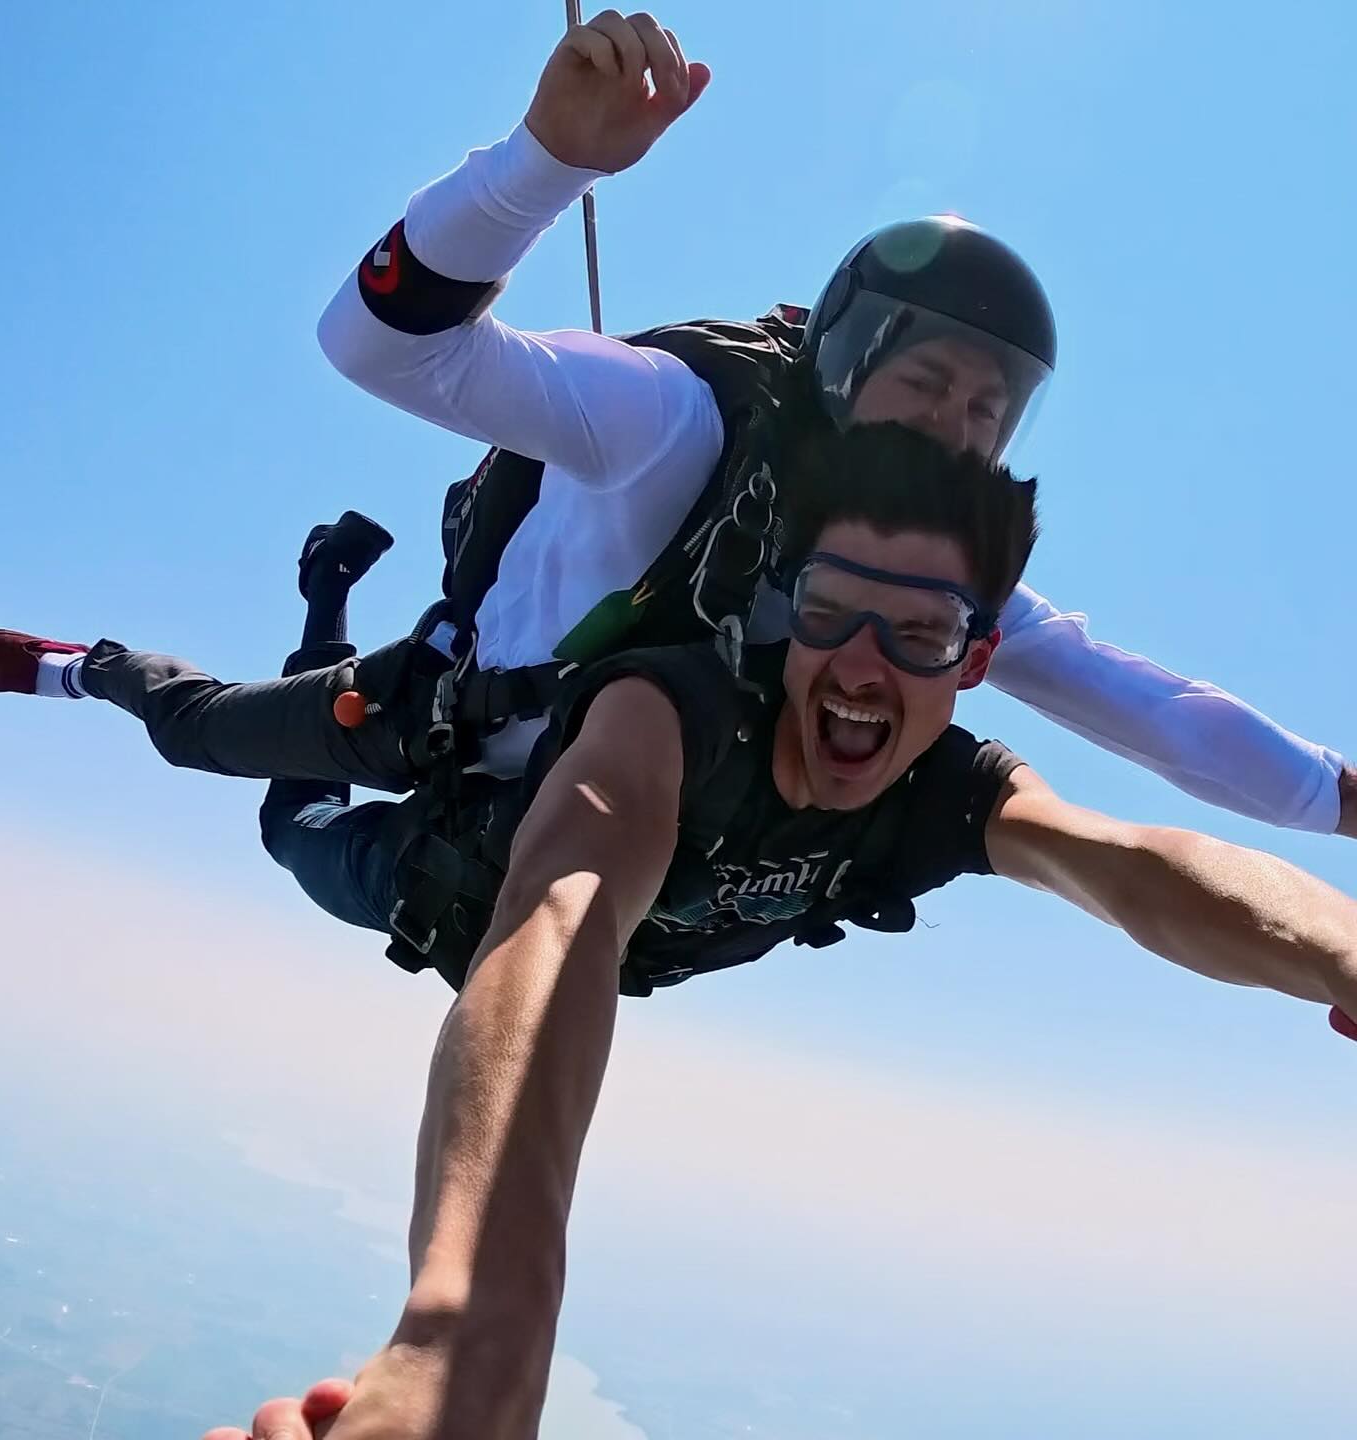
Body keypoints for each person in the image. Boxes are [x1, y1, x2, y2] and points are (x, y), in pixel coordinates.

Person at [182, 422, 1357, 1440]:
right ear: (789, 618)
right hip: (429, 880)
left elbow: (1128, 863)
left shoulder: (934, 794)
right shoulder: (668, 716)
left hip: (554, 918)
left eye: (921, 633)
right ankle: (257, 624)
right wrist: (466, 1346)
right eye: (834, 611)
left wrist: (1341, 949)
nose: (860, 665)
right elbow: (561, 925)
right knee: (295, 820)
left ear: (976, 662)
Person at [0, 13, 1355, 842]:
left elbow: (1149, 708)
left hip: (580, 828)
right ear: (848, 361)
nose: (957, 429)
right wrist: (542, 166)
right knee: (239, 773)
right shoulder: (678, 418)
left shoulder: (942, 584)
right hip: (435, 727)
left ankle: (311, 599)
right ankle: (95, 666)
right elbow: (377, 344)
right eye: (932, 384)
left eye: (991, 411)